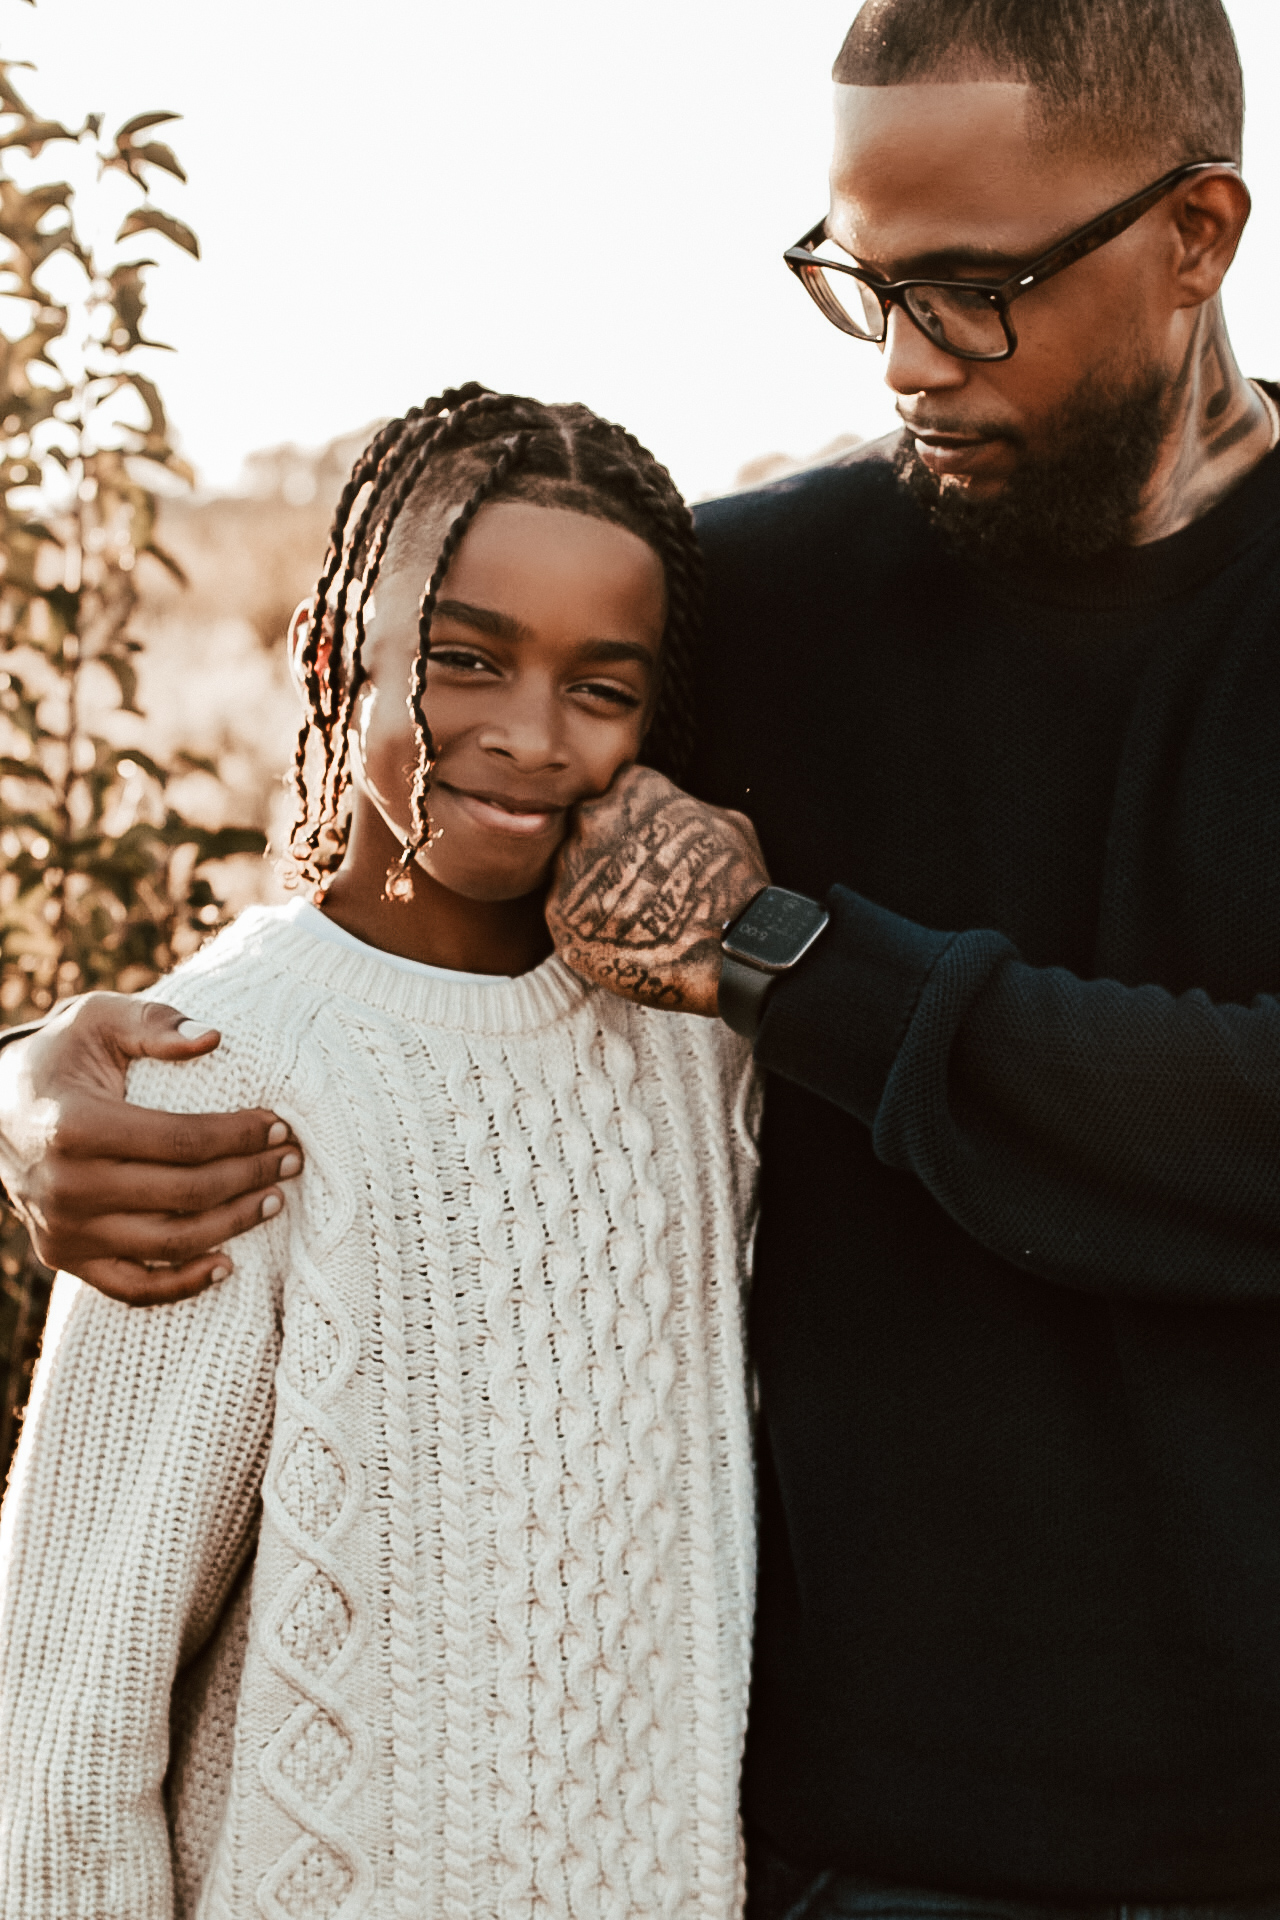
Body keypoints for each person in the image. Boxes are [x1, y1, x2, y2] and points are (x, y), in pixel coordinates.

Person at [3, 0, 1280, 1911]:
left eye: (974, 290)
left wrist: (790, 956)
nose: (913, 361)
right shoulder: (762, 603)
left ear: (1198, 235)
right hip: (795, 1842)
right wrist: (41, 1073)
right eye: (862, 284)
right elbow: (403, 915)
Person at [0, 385, 765, 1918]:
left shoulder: (700, 1052)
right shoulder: (221, 1070)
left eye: (597, 687)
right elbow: (68, 1708)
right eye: (466, 659)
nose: (527, 734)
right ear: (329, 649)